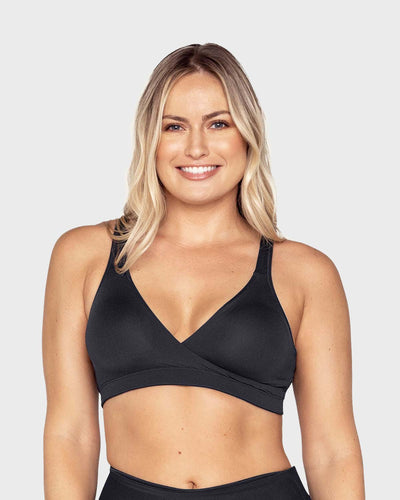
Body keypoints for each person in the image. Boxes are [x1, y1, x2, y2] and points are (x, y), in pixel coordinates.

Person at [42, 43, 365, 499]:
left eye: (218, 123)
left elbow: (333, 450)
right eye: (174, 126)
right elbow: (69, 433)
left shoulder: (305, 273)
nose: (196, 147)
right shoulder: (85, 256)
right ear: (150, 139)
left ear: (247, 135)